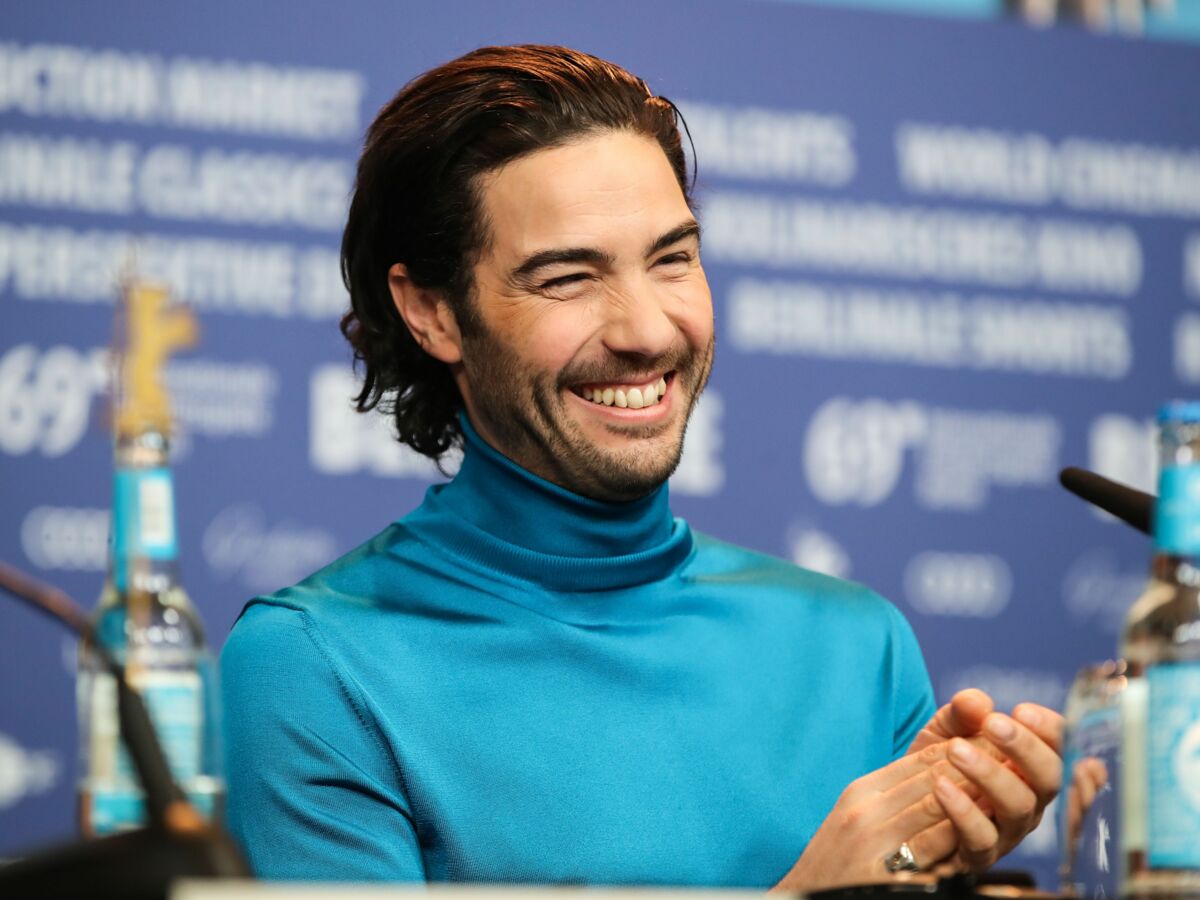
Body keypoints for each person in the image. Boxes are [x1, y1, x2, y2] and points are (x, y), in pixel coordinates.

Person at [220, 44, 1063, 888]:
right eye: (566, 278)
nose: (648, 331)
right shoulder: (312, 663)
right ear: (433, 313)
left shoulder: (855, 647)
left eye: (672, 258)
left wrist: (943, 854)